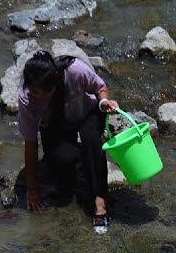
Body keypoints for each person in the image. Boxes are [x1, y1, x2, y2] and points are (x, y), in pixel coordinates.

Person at [18, 50, 120, 233]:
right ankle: (75, 164)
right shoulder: (27, 97)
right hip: (57, 123)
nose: (35, 95)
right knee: (63, 163)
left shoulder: (75, 71)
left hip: (86, 113)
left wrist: (104, 103)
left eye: (41, 92)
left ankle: (100, 202)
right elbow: (31, 141)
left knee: (93, 145)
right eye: (32, 90)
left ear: (54, 84)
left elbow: (100, 88)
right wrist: (32, 188)